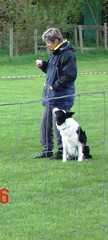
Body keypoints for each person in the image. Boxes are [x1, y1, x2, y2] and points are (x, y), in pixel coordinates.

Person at [34, 27, 77, 159]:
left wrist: (54, 86)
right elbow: (53, 71)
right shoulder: (55, 53)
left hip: (61, 96)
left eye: (49, 42)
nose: (47, 45)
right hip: (50, 96)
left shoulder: (68, 54)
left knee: (59, 125)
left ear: (56, 41)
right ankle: (47, 150)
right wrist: (44, 65)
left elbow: (70, 75)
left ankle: (61, 151)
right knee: (45, 124)